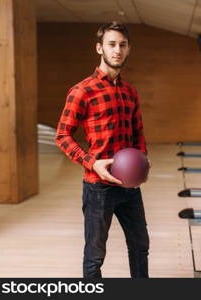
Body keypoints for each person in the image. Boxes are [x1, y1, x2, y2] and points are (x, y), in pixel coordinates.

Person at [55, 21, 150, 278]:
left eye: (122, 45)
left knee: (141, 247)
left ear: (128, 49)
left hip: (129, 187)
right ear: (99, 48)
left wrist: (143, 161)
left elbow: (137, 133)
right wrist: (91, 162)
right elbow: (62, 136)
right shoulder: (82, 91)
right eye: (111, 44)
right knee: (95, 257)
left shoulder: (130, 92)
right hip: (98, 187)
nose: (117, 50)